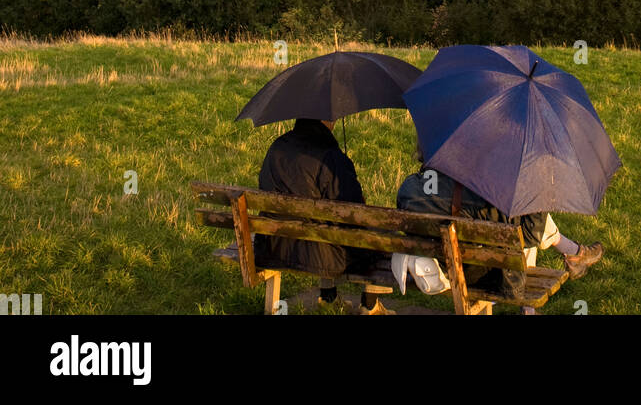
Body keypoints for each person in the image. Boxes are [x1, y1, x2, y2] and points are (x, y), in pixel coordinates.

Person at [396, 161, 602, 313]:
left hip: (435, 265)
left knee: (514, 227)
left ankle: (574, 252)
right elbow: (532, 233)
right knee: (518, 229)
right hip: (472, 274)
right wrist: (542, 190)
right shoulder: (479, 197)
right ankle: (573, 254)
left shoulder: (409, 189)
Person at [254, 117, 392, 315]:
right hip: (322, 256)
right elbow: (353, 214)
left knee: (324, 228)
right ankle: (370, 305)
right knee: (379, 232)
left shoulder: (277, 148)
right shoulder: (331, 157)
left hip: (272, 247)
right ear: (325, 119)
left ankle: (328, 298)